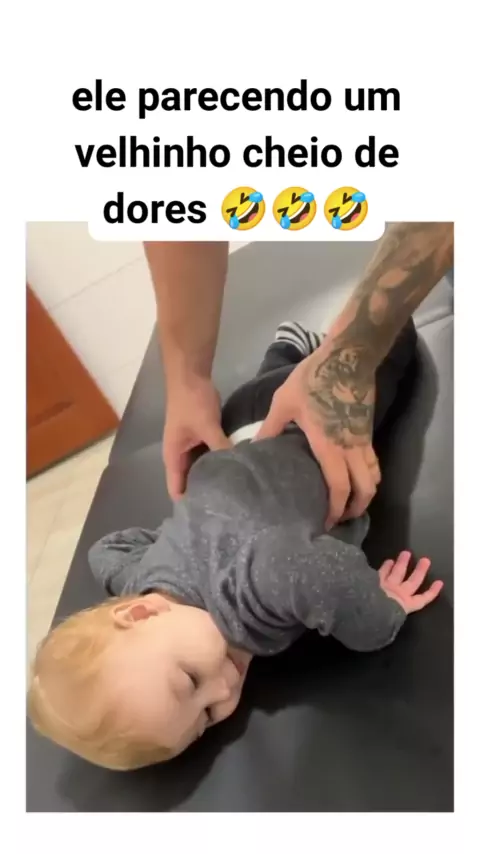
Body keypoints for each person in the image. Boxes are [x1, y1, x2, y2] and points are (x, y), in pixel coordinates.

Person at [28, 318, 443, 771]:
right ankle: (288, 348)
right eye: (207, 717)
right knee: (267, 388)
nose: (224, 690)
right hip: (234, 432)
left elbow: (322, 574)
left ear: (141, 613)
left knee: (391, 339)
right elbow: (106, 549)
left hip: (311, 431)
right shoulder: (138, 583)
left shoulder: (255, 584)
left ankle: (324, 347)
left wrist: (381, 614)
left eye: (191, 680)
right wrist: (185, 537)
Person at [145, 223, 453, 529]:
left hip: (246, 423)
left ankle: (296, 347)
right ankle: (292, 345)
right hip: (247, 419)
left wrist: (346, 358)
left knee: (383, 353)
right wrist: (188, 383)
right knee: (279, 375)